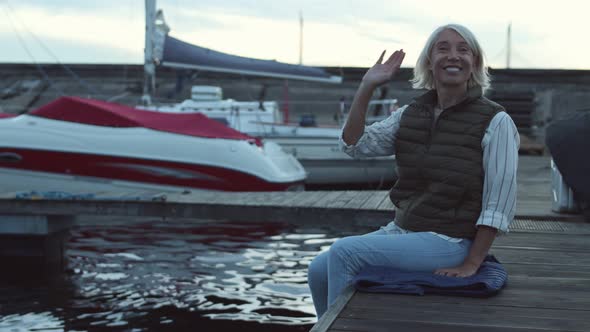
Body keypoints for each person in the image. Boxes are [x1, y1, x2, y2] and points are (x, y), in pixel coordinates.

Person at [307, 23, 520, 319]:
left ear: (475, 64)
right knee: (318, 269)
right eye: (442, 48)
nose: (453, 56)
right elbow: (355, 145)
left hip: (451, 240)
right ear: (429, 62)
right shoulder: (411, 113)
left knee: (345, 251)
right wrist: (367, 86)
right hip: (405, 230)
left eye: (463, 50)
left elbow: (499, 202)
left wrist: (472, 263)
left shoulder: (495, 121)